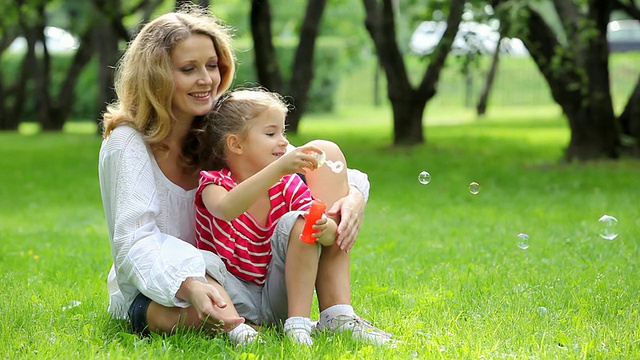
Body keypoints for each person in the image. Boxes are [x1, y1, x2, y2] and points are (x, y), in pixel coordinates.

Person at [97, 5, 386, 346]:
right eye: (188, 69)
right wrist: (189, 284)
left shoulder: (218, 125)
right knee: (189, 309)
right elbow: (135, 243)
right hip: (169, 284)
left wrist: (353, 195)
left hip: (243, 277)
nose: (207, 80)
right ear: (156, 76)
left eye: (212, 65)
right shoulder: (127, 143)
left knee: (325, 156)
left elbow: (302, 162)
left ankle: (338, 315)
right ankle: (241, 323)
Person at [186, 88, 392, 346]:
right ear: (235, 144)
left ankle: (298, 326)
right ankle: (239, 330)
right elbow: (227, 209)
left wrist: (325, 227)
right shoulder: (215, 183)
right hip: (231, 294)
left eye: (283, 132)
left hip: (278, 296)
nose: (284, 142)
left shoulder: (287, 185)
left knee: (299, 221)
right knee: (198, 261)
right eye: (271, 133)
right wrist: (279, 168)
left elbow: (324, 236)